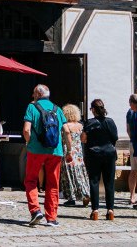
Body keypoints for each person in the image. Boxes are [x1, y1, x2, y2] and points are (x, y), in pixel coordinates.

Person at [22, 84, 66, 227]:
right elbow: (66, 131)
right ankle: (52, 218)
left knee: (31, 180)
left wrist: (29, 143)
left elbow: (26, 130)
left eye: (34, 93)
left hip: (36, 150)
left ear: (37, 94)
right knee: (53, 183)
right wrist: (69, 150)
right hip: (55, 150)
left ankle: (35, 211)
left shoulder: (32, 107)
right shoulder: (57, 109)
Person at [81, 99, 118, 221]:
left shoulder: (89, 123)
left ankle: (95, 210)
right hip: (109, 153)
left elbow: (83, 139)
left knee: (94, 181)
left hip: (94, 154)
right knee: (109, 182)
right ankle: (110, 210)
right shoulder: (110, 122)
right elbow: (115, 138)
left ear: (93, 109)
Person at [59, 103, 89, 208]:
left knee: (69, 175)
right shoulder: (80, 125)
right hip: (79, 153)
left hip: (69, 151)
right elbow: (83, 139)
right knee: (79, 174)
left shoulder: (65, 126)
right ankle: (85, 193)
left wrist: (69, 151)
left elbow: (67, 137)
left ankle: (71, 197)